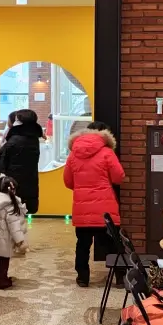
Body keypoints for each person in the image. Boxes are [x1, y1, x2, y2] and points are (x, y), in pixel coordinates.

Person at [63, 121, 125, 287]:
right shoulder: (107, 152)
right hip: (105, 209)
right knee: (113, 244)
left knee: (82, 244)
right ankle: (120, 277)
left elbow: (68, 181)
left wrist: (82, 187)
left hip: (82, 208)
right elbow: (119, 177)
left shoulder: (73, 154)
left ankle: (83, 278)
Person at [0, 108, 43, 215]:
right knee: (22, 212)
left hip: (12, 184)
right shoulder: (34, 139)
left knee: (12, 213)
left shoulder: (14, 140)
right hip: (29, 183)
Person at [0, 174, 28, 289]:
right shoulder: (10, 205)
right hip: (5, 239)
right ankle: (2, 280)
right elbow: (14, 226)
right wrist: (20, 241)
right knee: (4, 259)